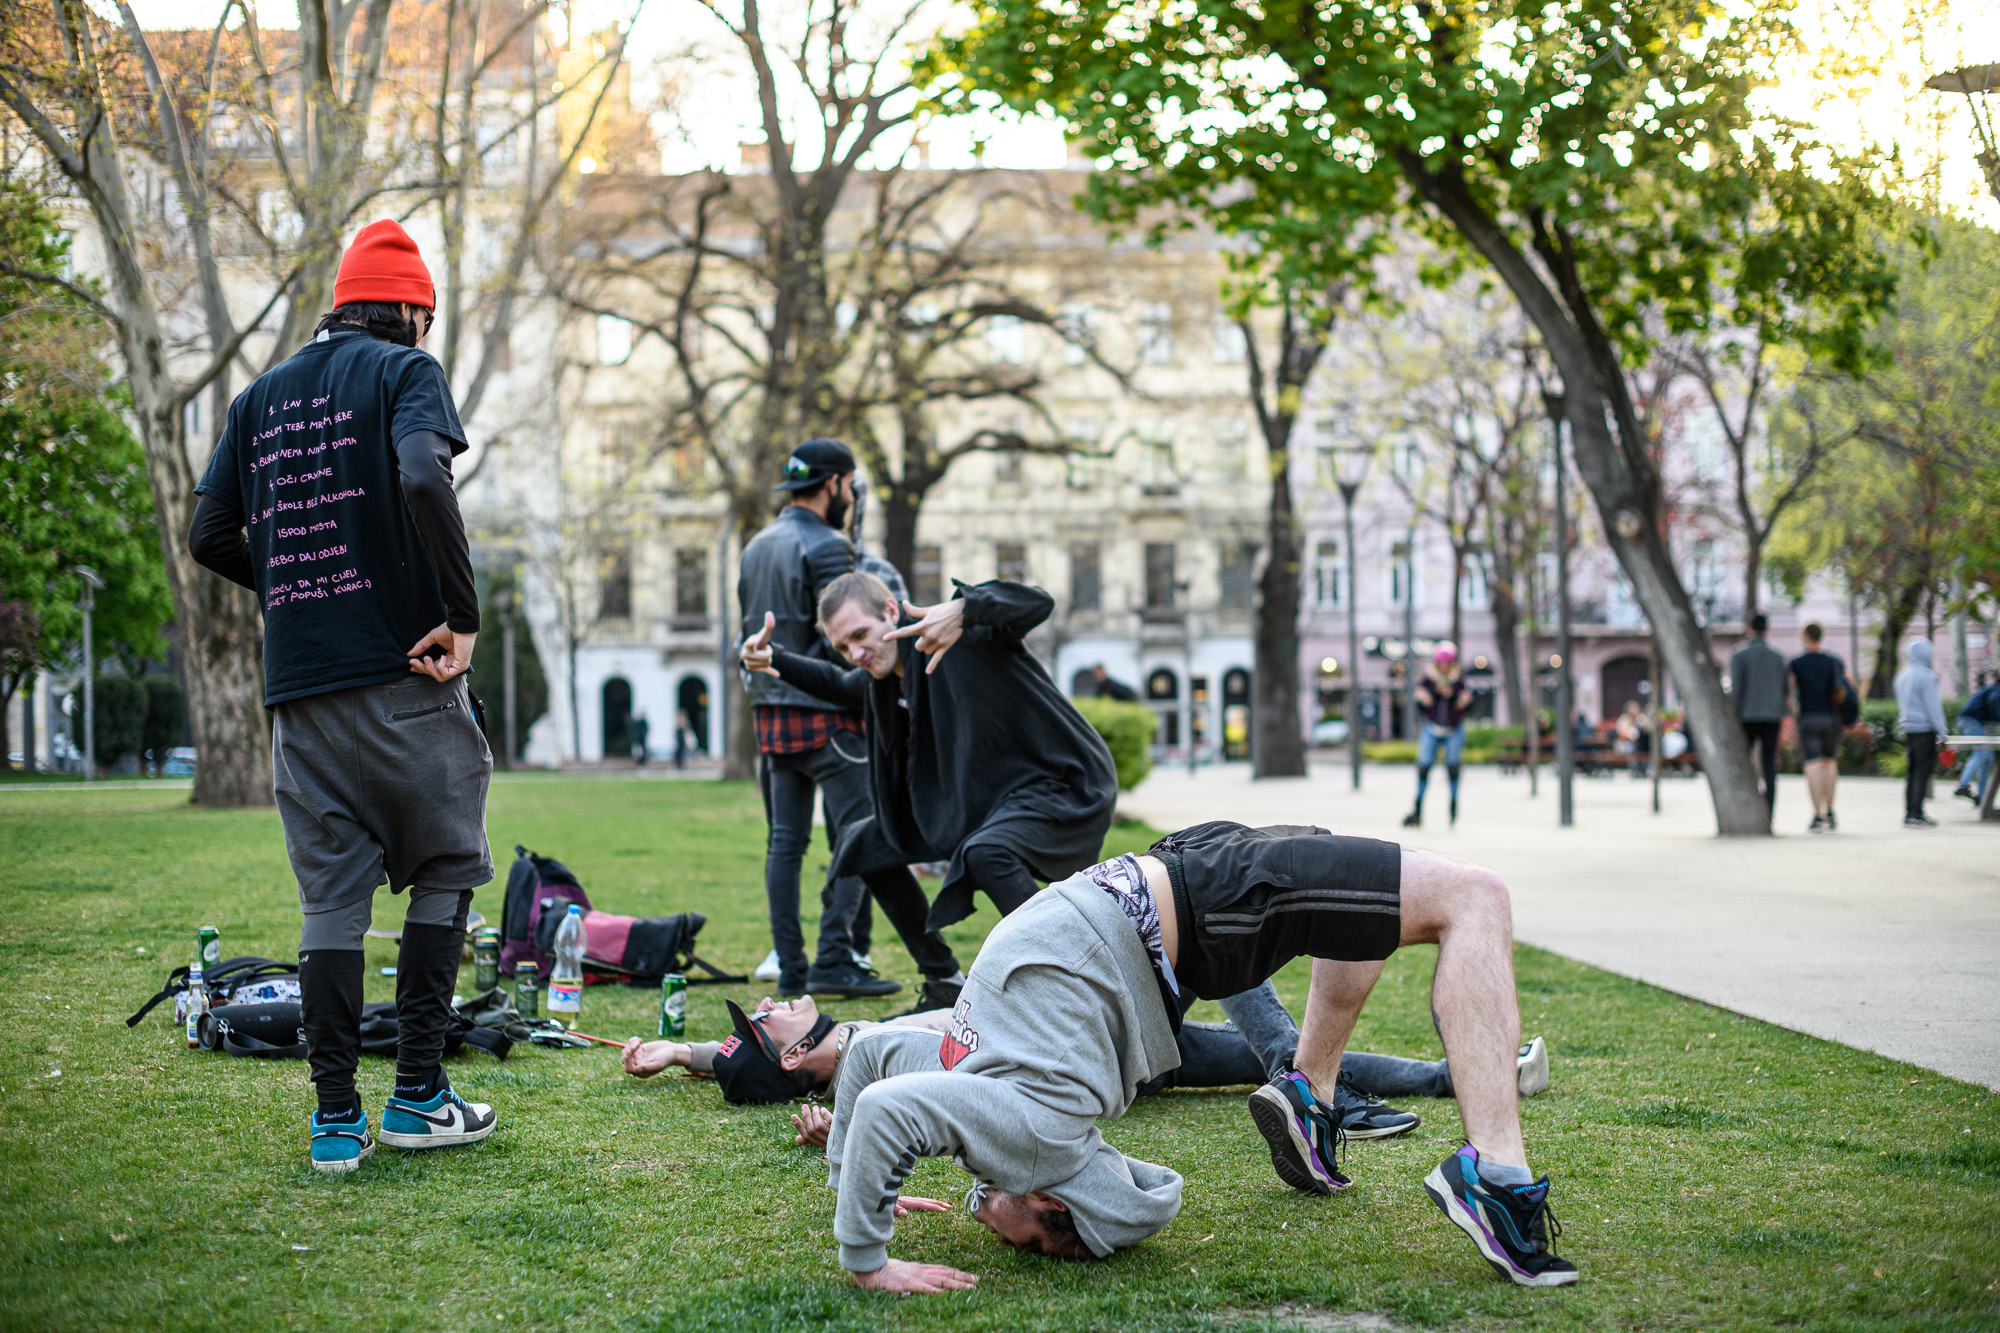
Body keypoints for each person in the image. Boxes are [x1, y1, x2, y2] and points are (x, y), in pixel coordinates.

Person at [817, 823, 1578, 1293]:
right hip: (1182, 890)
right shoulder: (1032, 1132)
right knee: (1473, 895)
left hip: (1187, 890)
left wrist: (866, 1243)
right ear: (1056, 1204)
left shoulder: (1022, 1136)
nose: (986, 1219)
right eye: (1016, 1236)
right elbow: (878, 1068)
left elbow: (875, 1063)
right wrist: (859, 1199)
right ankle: (1495, 1175)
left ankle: (1314, 1096)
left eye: (1018, 1241)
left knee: (1397, 899)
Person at [186, 219, 496, 1173]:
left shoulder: (255, 398)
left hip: (300, 690)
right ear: (409, 309)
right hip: (404, 669)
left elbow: (208, 535)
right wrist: (461, 612)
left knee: (331, 903)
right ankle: (416, 1097)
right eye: (427, 319)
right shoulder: (406, 373)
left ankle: (334, 1122)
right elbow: (419, 473)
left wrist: (291, 585)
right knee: (447, 862)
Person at [742, 571, 1118, 933]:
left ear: (891, 611)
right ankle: (940, 976)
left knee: (987, 854)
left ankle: (1064, 968)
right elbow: (837, 683)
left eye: (860, 635)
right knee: (861, 844)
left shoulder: (964, 634)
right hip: (991, 798)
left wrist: (963, 609)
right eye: (842, 647)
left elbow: (1037, 602)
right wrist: (773, 657)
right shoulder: (885, 680)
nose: (855, 653)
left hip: (1061, 781)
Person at [737, 437, 954, 1001]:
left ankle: (791, 969)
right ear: (835, 485)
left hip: (770, 707)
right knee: (859, 837)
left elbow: (756, 634)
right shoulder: (829, 545)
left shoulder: (755, 545)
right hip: (828, 715)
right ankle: (835, 957)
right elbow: (842, 640)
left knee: (783, 845)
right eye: (850, 488)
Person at [1403, 642, 1474, 828]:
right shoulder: (1428, 680)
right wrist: (1430, 695)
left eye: (1447, 664)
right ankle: (1417, 810)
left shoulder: (1459, 681)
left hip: (1453, 729)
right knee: (1424, 768)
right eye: (1441, 663)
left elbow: (1466, 704)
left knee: (1453, 769)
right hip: (1431, 728)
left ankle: (1453, 808)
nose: (1444, 667)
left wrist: (1459, 699)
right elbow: (1421, 703)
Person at [1789, 622, 1848, 832]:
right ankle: (1831, 811)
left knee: (1813, 766)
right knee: (1830, 764)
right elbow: (1846, 687)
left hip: (1808, 718)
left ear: (1805, 636)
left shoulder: (1797, 662)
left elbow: (1790, 691)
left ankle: (1817, 816)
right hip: (1830, 718)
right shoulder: (1833, 661)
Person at [1729, 613, 1788, 823]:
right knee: (1769, 764)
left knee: (1745, 764)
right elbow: (1785, 688)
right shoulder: (1778, 655)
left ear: (1749, 628)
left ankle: (1747, 811)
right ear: (1767, 628)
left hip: (1747, 717)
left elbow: (1737, 690)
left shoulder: (1739, 655)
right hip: (1772, 715)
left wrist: (1734, 715)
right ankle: (1769, 814)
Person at [1896, 639, 1947, 828]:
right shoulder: (1927, 677)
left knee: (1911, 772)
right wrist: (1943, 731)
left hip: (1908, 729)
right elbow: (1934, 707)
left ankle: (1910, 812)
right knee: (1922, 772)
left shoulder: (1902, 675)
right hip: (1925, 729)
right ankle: (1917, 813)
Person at [1951, 678, 2000, 806]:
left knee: (1988, 756)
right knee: (1982, 752)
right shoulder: (1997, 689)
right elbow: (1994, 702)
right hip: (1970, 721)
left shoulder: (1991, 688)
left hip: (1968, 721)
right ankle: (1963, 785)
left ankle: (1982, 796)